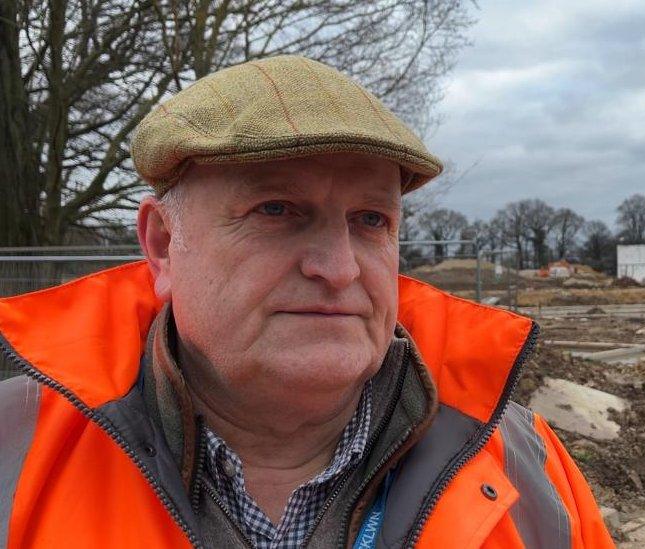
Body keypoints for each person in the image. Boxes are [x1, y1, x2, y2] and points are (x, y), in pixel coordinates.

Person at [0, 55, 613, 548]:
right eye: (276, 210)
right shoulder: (14, 451)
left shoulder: (523, 463)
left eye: (371, 219)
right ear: (162, 245)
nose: (339, 269)